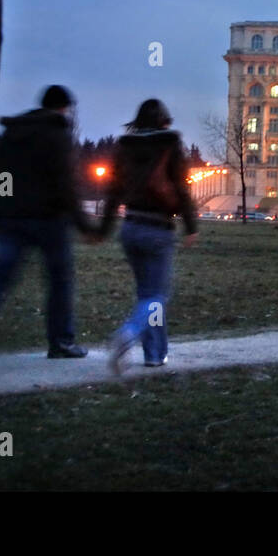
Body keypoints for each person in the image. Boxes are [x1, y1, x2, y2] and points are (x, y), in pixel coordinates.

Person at [0, 85, 94, 358]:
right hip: (50, 220)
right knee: (59, 282)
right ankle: (61, 341)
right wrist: (83, 224)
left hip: (12, 218)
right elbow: (65, 184)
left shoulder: (12, 133)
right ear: (62, 107)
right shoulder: (57, 135)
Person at [98, 99, 197, 373]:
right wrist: (191, 226)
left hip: (129, 228)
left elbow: (113, 191)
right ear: (165, 121)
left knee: (148, 294)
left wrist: (103, 229)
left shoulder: (125, 149)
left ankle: (155, 354)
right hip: (157, 229)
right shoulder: (170, 145)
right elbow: (180, 187)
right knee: (158, 296)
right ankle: (128, 333)